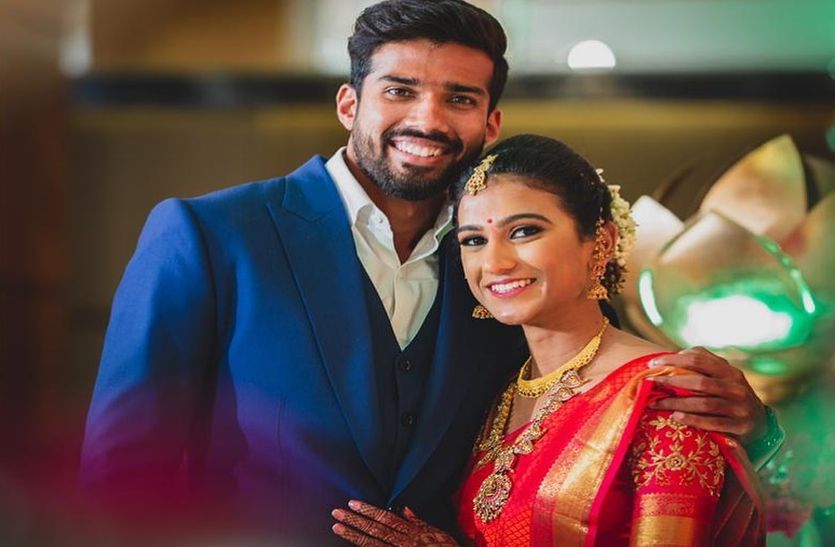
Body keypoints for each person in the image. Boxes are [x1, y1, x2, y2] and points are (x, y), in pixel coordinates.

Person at [80, 1, 776, 544]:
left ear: (490, 123)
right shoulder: (211, 235)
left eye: (459, 99)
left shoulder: (507, 267)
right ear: (349, 103)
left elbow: (600, 393)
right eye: (400, 90)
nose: (428, 118)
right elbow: (120, 472)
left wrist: (749, 424)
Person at [331, 135, 766, 546]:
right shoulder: (500, 389)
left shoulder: (664, 395)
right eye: (474, 240)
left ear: (600, 241)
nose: (494, 263)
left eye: (524, 231)